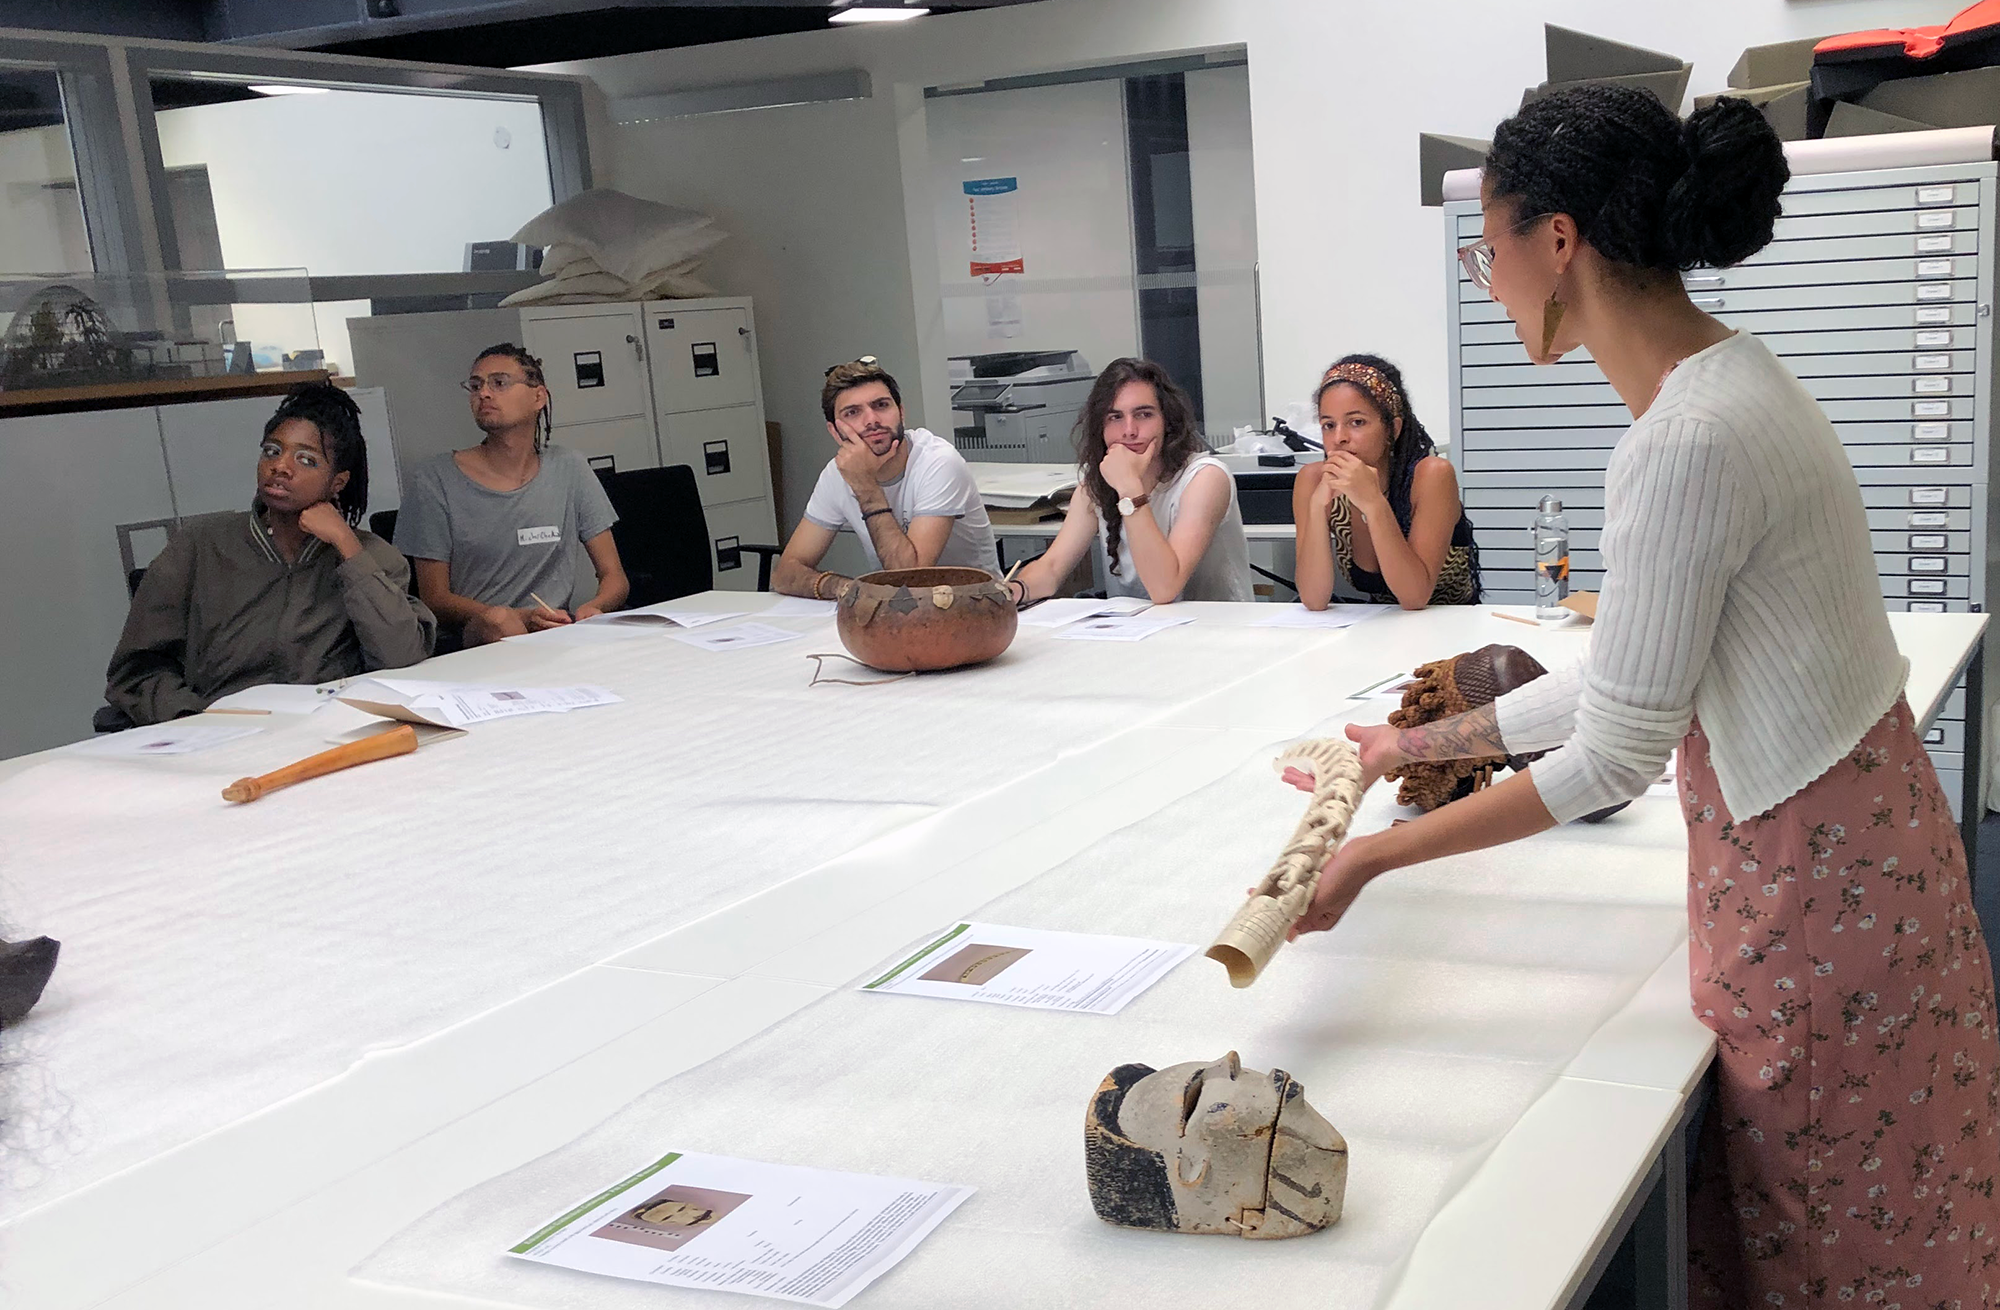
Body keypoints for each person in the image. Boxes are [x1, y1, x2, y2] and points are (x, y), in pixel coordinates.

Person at [1290, 86, 2000, 1306]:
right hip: (1863, 865)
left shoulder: (1680, 441)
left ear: (1554, 240)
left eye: (1489, 246)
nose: (1488, 276)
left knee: (1836, 1249)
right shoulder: (1734, 385)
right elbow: (1624, 681)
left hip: (1816, 895)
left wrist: (1372, 856)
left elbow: (1613, 752)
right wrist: (1409, 741)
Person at [104, 382, 435, 725]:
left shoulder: (371, 557)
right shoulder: (201, 546)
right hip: (221, 736)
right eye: (272, 451)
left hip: (334, 733)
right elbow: (135, 670)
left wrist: (346, 545)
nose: (281, 467)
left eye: (306, 459)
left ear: (338, 482)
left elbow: (401, 656)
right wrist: (196, 720)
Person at [396, 343, 628, 647]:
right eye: (476, 385)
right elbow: (435, 597)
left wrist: (594, 609)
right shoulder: (434, 478)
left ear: (538, 397)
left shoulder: (569, 467)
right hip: (478, 637)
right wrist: (518, 617)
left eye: (500, 383)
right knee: (499, 622)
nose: (484, 394)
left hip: (556, 632)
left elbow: (614, 576)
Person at [1007, 357, 1252, 606]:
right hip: (1136, 634)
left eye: (1143, 414)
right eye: (1115, 417)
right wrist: (1012, 591)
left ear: (1167, 422)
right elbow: (1051, 568)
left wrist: (1129, 488)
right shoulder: (1096, 485)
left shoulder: (1205, 477)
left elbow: (1164, 588)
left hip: (1216, 633)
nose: (1129, 431)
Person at [772, 358, 997, 600]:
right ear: (834, 431)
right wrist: (845, 588)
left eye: (881, 405)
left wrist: (866, 487)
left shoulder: (938, 461)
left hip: (974, 609)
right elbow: (785, 574)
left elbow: (911, 581)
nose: (871, 420)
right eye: (853, 412)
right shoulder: (836, 474)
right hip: (899, 616)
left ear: (901, 412)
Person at [1291, 354, 1480, 609]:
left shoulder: (1432, 475)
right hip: (1379, 629)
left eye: (1356, 422)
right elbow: (1313, 600)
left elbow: (1414, 597)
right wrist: (1316, 508)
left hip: (1450, 625)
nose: (1339, 438)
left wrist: (1373, 503)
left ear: (1393, 428)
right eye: (1328, 425)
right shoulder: (1313, 480)